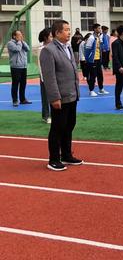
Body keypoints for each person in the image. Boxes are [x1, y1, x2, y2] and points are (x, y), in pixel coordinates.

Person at [40, 19, 82, 171]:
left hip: (72, 94)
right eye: (66, 30)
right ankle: (54, 159)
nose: (69, 32)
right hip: (60, 97)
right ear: (57, 33)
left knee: (69, 126)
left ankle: (66, 154)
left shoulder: (68, 47)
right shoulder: (48, 50)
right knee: (58, 128)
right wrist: (54, 97)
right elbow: (49, 77)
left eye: (69, 29)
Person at [7, 30, 31, 107]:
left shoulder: (22, 42)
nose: (21, 36)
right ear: (14, 36)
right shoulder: (10, 43)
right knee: (15, 84)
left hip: (23, 66)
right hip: (15, 67)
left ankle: (23, 99)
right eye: (19, 35)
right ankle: (15, 100)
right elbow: (17, 49)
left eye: (21, 34)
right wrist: (20, 42)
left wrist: (22, 42)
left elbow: (28, 49)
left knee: (23, 83)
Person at [85, 24, 109, 97]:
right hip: (92, 60)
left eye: (100, 28)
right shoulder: (91, 38)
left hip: (98, 59)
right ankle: (91, 90)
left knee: (100, 75)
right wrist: (88, 59)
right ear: (95, 29)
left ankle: (101, 89)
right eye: (98, 28)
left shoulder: (98, 37)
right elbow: (87, 49)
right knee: (93, 76)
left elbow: (102, 46)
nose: (100, 30)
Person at [38, 28, 53, 123]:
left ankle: (54, 114)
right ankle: (46, 116)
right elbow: (40, 65)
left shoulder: (54, 47)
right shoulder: (41, 49)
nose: (52, 38)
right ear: (45, 38)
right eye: (51, 36)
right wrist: (43, 78)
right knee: (45, 97)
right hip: (45, 77)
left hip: (54, 76)